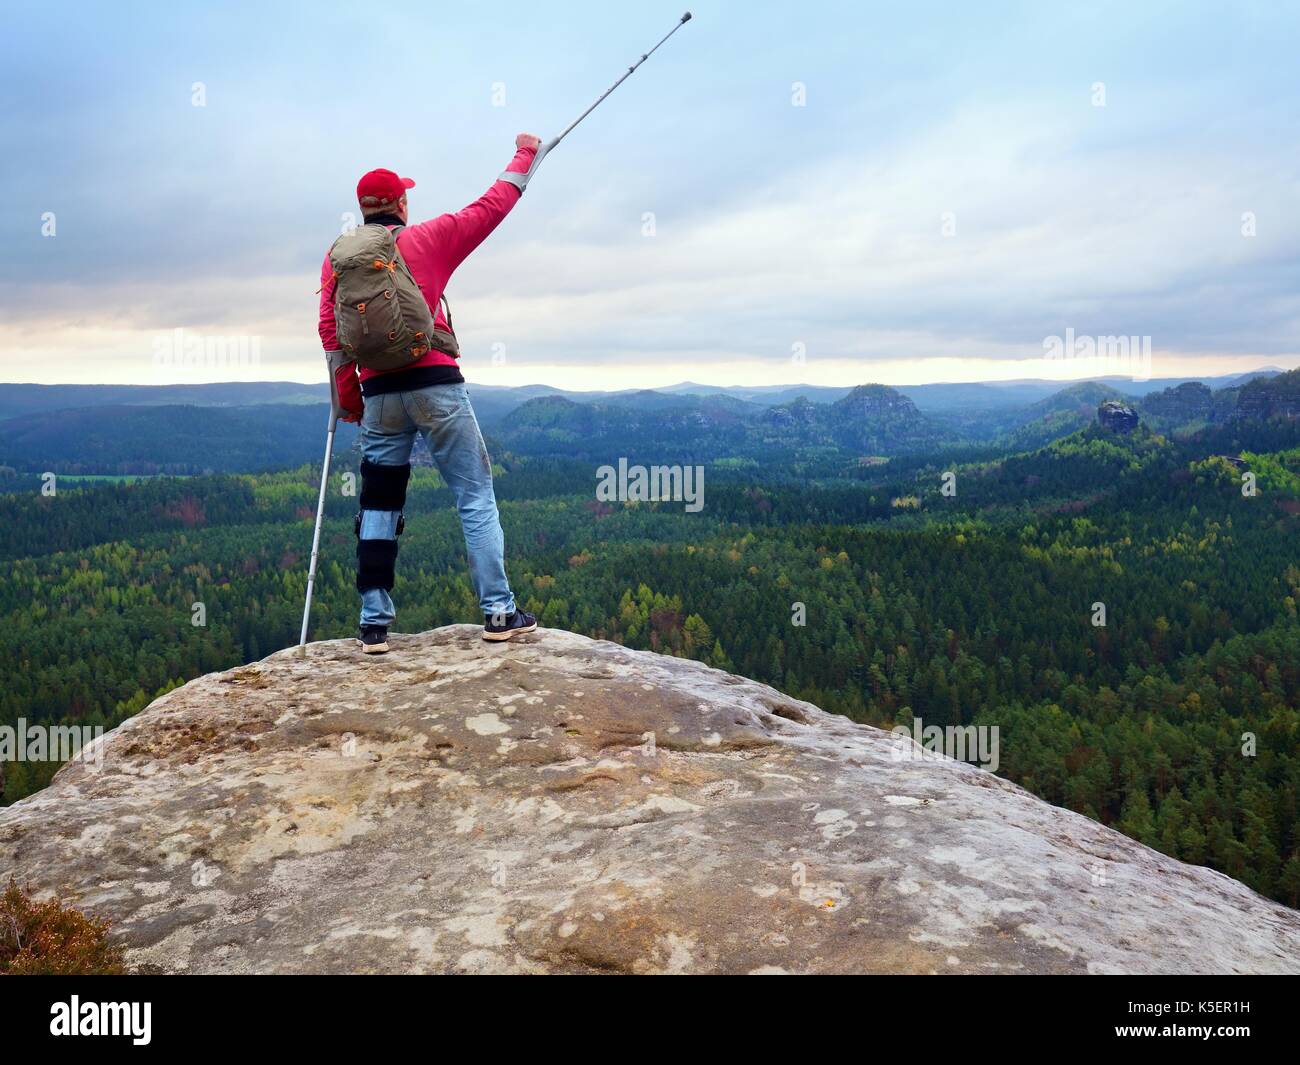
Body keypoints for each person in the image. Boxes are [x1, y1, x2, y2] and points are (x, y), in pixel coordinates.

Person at [318, 135, 541, 654]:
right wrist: (526, 154)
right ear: (400, 204)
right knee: (474, 495)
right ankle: (499, 611)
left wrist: (350, 399)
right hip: (436, 385)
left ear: (362, 210)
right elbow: (494, 204)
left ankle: (374, 624)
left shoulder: (337, 262)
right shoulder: (429, 238)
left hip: (378, 395)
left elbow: (333, 337)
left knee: (378, 504)